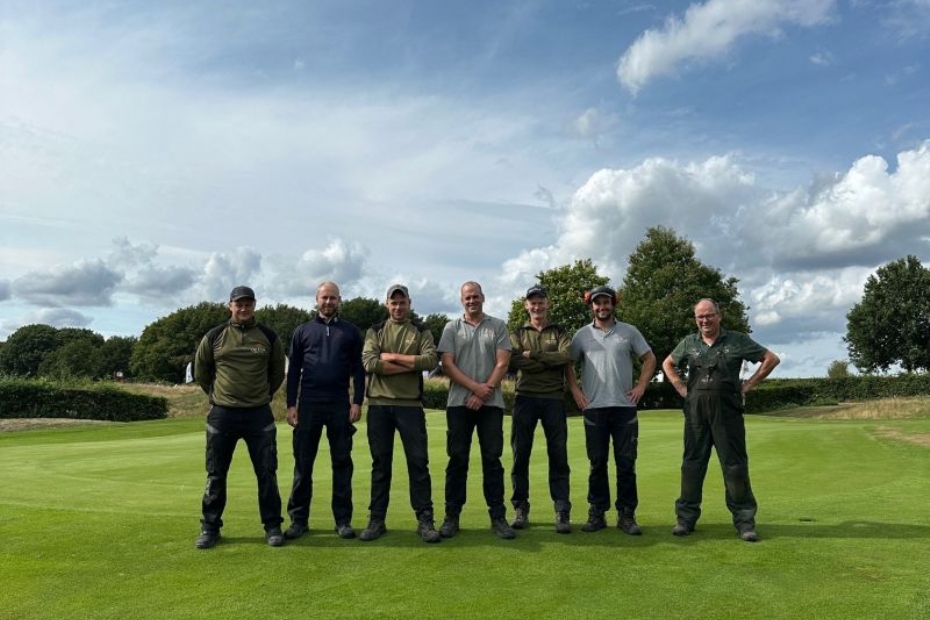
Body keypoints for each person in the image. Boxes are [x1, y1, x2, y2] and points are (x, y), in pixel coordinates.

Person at [661, 298, 780, 543]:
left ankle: (745, 521)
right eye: (700, 317)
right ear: (696, 319)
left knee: (735, 466)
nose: (704, 321)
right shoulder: (689, 343)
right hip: (695, 413)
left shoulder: (736, 340)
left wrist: (747, 385)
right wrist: (681, 388)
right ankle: (685, 519)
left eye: (709, 315)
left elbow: (771, 359)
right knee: (692, 465)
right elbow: (668, 364)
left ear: (719, 315)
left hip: (727, 412)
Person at [193, 285, 287, 549]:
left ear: (254, 305)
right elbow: (202, 371)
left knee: (267, 472)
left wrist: (262, 395)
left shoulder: (267, 336)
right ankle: (210, 527)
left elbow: (277, 373)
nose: (243, 308)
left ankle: (272, 526)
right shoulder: (215, 336)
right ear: (230, 306)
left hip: (259, 413)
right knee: (216, 474)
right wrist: (216, 395)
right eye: (239, 304)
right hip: (222, 413)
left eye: (248, 304)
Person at [567, 285, 656, 535]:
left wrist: (641, 386)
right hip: (594, 408)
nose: (602, 307)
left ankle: (626, 515)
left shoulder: (629, 332)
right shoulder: (581, 335)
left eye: (606, 302)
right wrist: (575, 390)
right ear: (591, 306)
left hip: (624, 408)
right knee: (597, 464)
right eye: (598, 303)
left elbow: (649, 359)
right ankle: (597, 513)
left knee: (626, 464)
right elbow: (568, 363)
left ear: (613, 304)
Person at [282, 281, 365, 541]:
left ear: (340, 300)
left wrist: (357, 401)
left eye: (333, 298)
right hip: (308, 404)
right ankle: (298, 520)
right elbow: (293, 370)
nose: (328, 302)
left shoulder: (350, 332)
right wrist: (291, 405)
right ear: (316, 300)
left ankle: (343, 521)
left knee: (342, 463)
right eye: (324, 298)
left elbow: (359, 370)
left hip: (339, 404)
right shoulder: (302, 331)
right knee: (303, 464)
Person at [359, 284, 441, 543]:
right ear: (386, 304)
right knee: (381, 466)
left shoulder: (421, 330)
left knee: (418, 464)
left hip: (410, 407)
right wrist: (409, 364)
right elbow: (370, 363)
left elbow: (430, 361)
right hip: (379, 406)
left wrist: (392, 357)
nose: (397, 307)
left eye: (402, 302)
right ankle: (377, 519)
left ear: (409, 303)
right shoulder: (375, 330)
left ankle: (425, 519)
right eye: (393, 303)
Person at [436, 281, 515, 539]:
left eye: (476, 296)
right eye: (467, 297)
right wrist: (475, 389)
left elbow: (503, 363)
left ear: (483, 297)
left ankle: (498, 517)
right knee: (457, 460)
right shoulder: (451, 328)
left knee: (492, 461)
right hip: (459, 404)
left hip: (490, 405)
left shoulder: (498, 325)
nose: (472, 301)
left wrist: (484, 392)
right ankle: (451, 517)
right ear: (462, 301)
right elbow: (447, 365)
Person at [508, 284, 573, 534]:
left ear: (547, 304)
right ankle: (520, 508)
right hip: (525, 397)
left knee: (558, 455)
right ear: (526, 305)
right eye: (532, 302)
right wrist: (546, 359)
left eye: (541, 302)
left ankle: (561, 510)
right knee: (520, 454)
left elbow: (566, 356)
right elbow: (514, 359)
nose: (536, 306)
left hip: (554, 399)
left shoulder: (559, 331)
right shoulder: (517, 332)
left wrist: (532, 355)